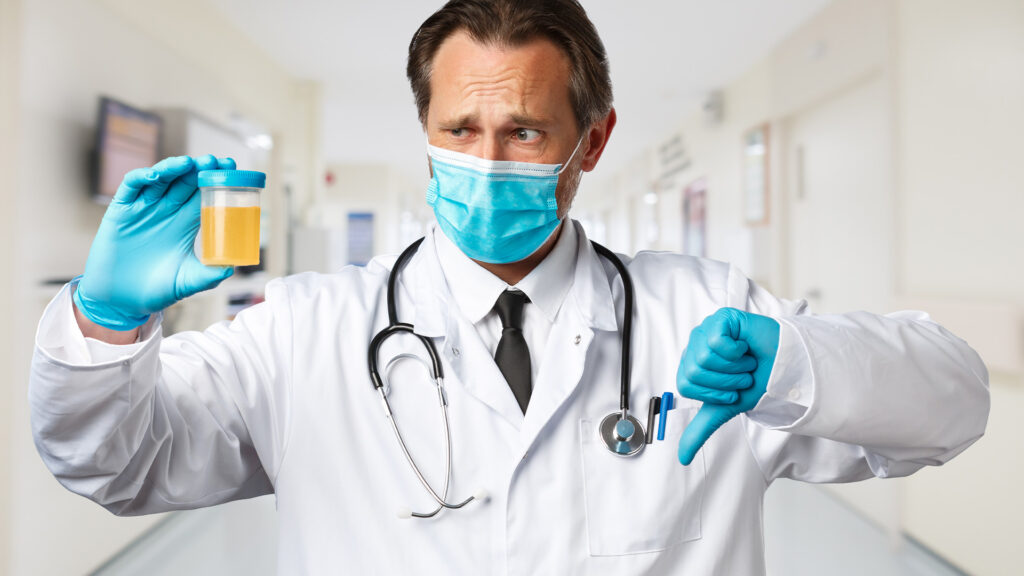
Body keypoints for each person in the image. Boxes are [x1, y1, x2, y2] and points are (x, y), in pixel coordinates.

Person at [29, 0, 989, 574]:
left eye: (524, 133)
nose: (486, 163)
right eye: (458, 131)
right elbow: (118, 469)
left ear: (592, 140)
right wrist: (104, 326)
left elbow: (953, 402)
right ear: (428, 130)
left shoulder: (705, 317)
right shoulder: (309, 330)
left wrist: (796, 359)